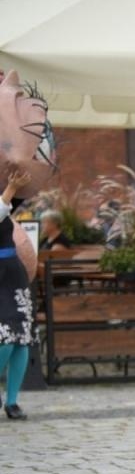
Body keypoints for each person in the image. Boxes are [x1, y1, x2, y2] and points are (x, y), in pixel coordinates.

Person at [0, 169, 36, 421]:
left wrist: (21, 176)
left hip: (12, 271)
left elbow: (18, 197)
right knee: (5, 338)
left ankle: (12, 402)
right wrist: (10, 190)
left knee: (21, 337)